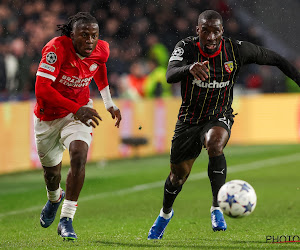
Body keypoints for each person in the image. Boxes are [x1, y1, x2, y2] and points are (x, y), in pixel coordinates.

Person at [148, 10, 300, 239]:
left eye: (215, 31)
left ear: (222, 32)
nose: (210, 37)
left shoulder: (236, 50)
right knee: (177, 177)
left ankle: (216, 207)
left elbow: (276, 59)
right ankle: (165, 214)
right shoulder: (186, 47)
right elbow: (170, 74)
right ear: (197, 30)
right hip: (189, 120)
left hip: (219, 115)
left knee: (215, 144)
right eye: (205, 31)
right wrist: (188, 68)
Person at [34, 12, 122, 241]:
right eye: (84, 35)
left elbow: (99, 68)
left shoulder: (101, 49)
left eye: (94, 35)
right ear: (72, 35)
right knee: (52, 174)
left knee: (79, 154)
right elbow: (42, 89)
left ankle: (66, 219)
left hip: (78, 112)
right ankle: (55, 198)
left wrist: (109, 103)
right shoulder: (56, 49)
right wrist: (75, 108)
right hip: (48, 118)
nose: (90, 41)